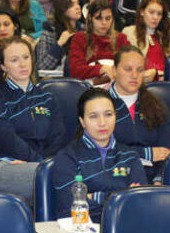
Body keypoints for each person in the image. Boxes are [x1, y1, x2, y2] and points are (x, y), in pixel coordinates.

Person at [0, 36, 65, 201]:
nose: (22, 64)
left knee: (68, 173)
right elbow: (7, 138)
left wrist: (45, 162)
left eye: (26, 57)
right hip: (8, 164)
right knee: (59, 179)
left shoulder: (47, 97)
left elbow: (58, 137)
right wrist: (39, 163)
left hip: (44, 165)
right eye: (14, 60)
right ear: (3, 66)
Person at [52, 87, 146, 220]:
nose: (102, 123)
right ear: (82, 121)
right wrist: (121, 195)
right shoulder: (67, 157)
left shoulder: (130, 156)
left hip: (125, 231)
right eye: (93, 116)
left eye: (108, 114)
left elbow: (139, 203)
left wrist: (94, 197)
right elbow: (69, 207)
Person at [108, 46, 170, 181]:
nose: (134, 75)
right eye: (128, 69)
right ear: (114, 71)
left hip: (151, 177)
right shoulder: (99, 105)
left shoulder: (156, 105)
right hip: (113, 175)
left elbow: (166, 151)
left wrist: (159, 180)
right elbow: (98, 149)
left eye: (139, 70)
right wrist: (145, 153)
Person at [121, 0, 170, 81]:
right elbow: (126, 67)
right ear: (142, 12)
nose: (155, 17)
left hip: (167, 82)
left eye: (159, 14)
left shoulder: (167, 34)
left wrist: (158, 74)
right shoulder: (129, 32)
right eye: (151, 12)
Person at [69, 0, 129, 81]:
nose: (104, 22)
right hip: (88, 88)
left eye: (108, 18)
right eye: (98, 18)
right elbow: (75, 70)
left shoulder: (121, 39)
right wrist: (101, 69)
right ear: (90, 18)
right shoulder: (79, 38)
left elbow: (130, 65)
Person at [36, 0, 82, 70]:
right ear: (62, 9)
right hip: (57, 79)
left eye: (78, 3)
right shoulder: (50, 31)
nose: (77, 7)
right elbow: (42, 66)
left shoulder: (84, 30)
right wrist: (59, 44)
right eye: (71, 5)